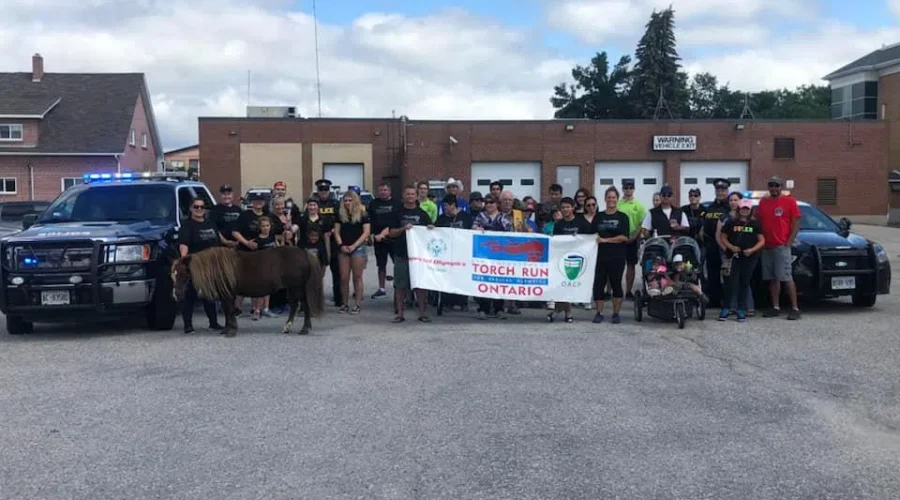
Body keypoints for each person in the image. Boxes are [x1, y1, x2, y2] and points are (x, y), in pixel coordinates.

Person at [756, 176, 802, 320]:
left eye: (776, 185)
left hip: (781, 245)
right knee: (772, 278)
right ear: (768, 187)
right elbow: (757, 221)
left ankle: (795, 308)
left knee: (786, 277)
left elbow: (796, 222)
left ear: (781, 187)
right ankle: (775, 307)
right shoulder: (763, 202)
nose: (774, 188)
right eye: (771, 185)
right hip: (766, 246)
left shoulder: (790, 201)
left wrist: (790, 241)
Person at [177, 197, 224, 334]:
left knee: (209, 295)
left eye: (202, 207)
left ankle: (213, 323)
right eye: (196, 207)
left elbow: (218, 242)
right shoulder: (187, 225)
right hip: (195, 265)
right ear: (191, 208)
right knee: (190, 295)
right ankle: (188, 325)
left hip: (210, 265)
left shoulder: (210, 224)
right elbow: (183, 244)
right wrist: (183, 260)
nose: (199, 209)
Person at [389, 185, 432, 323]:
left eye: (413, 194)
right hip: (401, 253)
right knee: (400, 285)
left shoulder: (422, 214)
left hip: (418, 256)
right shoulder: (397, 213)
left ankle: (422, 313)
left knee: (420, 285)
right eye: (408, 194)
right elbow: (391, 233)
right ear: (404, 195)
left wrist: (431, 228)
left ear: (416, 196)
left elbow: (430, 233)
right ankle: (400, 314)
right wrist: (403, 229)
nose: (410, 196)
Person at [547, 197, 592, 323]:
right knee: (562, 286)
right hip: (562, 259)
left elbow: (590, 236)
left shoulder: (581, 221)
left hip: (578, 258)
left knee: (569, 286)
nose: (565, 209)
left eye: (568, 207)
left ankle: (558, 312)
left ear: (573, 208)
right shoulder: (558, 224)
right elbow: (556, 242)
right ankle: (567, 312)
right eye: (563, 207)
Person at [718, 198, 764, 322]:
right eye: (742, 208)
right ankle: (726, 308)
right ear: (739, 209)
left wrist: (752, 250)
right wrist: (731, 247)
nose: (744, 211)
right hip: (733, 257)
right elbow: (723, 237)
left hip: (749, 258)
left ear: (750, 210)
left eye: (747, 209)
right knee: (730, 283)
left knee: (744, 283)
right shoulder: (731, 222)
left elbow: (761, 241)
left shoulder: (755, 224)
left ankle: (741, 309)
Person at [592, 187, 630, 324]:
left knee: (616, 284)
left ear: (617, 199)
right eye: (609, 197)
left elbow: (624, 237)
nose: (611, 200)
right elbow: (592, 234)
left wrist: (606, 240)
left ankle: (616, 313)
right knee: (598, 285)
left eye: (613, 197)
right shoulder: (599, 216)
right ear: (605, 199)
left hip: (617, 256)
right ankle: (599, 313)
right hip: (600, 256)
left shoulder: (623, 217)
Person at [472, 194, 512, 320]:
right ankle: (483, 308)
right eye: (487, 202)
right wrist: (477, 229)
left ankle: (499, 308)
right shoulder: (481, 216)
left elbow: (509, 231)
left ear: (497, 204)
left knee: (499, 282)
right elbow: (473, 227)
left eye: (491, 202)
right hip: (484, 254)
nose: (489, 204)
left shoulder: (503, 217)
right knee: (484, 281)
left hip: (500, 254)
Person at [432, 194, 473, 311]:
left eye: (446, 206)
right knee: (447, 277)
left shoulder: (466, 217)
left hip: (462, 253)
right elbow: (435, 231)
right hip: (447, 254)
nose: (444, 208)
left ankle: (462, 302)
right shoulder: (441, 218)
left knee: (462, 277)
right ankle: (447, 302)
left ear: (453, 205)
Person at [717, 191, 754, 316]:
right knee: (730, 281)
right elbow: (719, 236)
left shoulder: (750, 219)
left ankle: (747, 307)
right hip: (727, 254)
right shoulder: (724, 217)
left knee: (744, 281)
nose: (733, 202)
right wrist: (727, 249)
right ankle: (732, 307)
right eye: (731, 200)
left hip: (745, 255)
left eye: (735, 200)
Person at [334, 190, 371, 315]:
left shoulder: (363, 214)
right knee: (344, 277)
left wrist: (355, 245)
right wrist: (341, 245)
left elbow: (366, 232)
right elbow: (336, 232)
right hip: (343, 248)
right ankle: (344, 304)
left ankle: (357, 304)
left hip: (358, 248)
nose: (347, 203)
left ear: (355, 201)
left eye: (350, 200)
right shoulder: (340, 214)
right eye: (345, 200)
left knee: (357, 277)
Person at [231, 192, 267, 316]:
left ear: (264, 202)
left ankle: (255, 309)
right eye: (256, 200)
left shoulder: (267, 215)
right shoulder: (245, 215)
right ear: (252, 202)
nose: (258, 203)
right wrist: (246, 243)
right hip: (244, 252)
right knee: (241, 281)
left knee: (259, 281)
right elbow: (235, 232)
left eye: (260, 200)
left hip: (261, 253)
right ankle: (237, 308)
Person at [700, 178, 732, 308]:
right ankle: (714, 300)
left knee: (727, 275)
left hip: (725, 245)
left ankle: (728, 301)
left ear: (727, 191)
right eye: (718, 190)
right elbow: (705, 223)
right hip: (711, 245)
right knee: (712, 274)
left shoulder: (730, 206)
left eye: (723, 190)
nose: (720, 193)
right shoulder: (710, 207)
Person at [313, 179, 343, 308]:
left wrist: (335, 230)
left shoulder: (336, 203)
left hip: (334, 240)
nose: (323, 192)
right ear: (318, 190)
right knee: (318, 272)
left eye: (326, 190)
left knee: (337, 272)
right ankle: (317, 299)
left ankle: (339, 299)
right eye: (321, 190)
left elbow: (341, 219)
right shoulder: (313, 203)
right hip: (319, 241)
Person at [368, 182, 400, 299]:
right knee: (381, 265)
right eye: (381, 190)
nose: (383, 192)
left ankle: (399, 287)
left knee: (398, 263)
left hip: (394, 238)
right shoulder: (373, 204)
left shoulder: (397, 203)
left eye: (385, 190)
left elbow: (398, 220)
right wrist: (370, 235)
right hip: (378, 239)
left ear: (390, 191)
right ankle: (381, 289)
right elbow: (370, 220)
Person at [617, 179, 646, 300]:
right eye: (626, 188)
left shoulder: (639, 206)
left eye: (630, 188)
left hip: (632, 240)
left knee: (630, 266)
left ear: (633, 189)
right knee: (617, 266)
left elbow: (642, 223)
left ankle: (628, 291)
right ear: (622, 189)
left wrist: (634, 237)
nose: (628, 190)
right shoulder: (617, 204)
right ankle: (615, 291)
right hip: (618, 239)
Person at [249, 216, 279, 320]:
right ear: (259, 227)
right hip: (260, 267)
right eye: (263, 226)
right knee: (260, 290)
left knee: (268, 289)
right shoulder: (257, 240)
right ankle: (256, 310)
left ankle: (266, 309)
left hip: (271, 266)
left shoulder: (272, 237)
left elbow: (277, 248)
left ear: (271, 226)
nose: (266, 228)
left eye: (267, 225)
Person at [297, 197, 331, 274]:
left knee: (320, 274)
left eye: (314, 205)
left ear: (318, 206)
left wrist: (328, 253)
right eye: (310, 205)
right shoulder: (302, 219)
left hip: (320, 250)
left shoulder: (324, 220)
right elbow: (297, 233)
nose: (312, 207)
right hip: (304, 249)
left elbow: (326, 237)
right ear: (307, 206)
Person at [209, 184, 241, 249]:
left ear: (232, 195)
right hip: (221, 246)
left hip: (238, 245)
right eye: (224, 194)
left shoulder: (238, 210)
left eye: (228, 194)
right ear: (220, 195)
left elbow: (242, 227)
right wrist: (225, 241)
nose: (226, 196)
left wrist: (239, 241)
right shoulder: (214, 210)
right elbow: (214, 228)